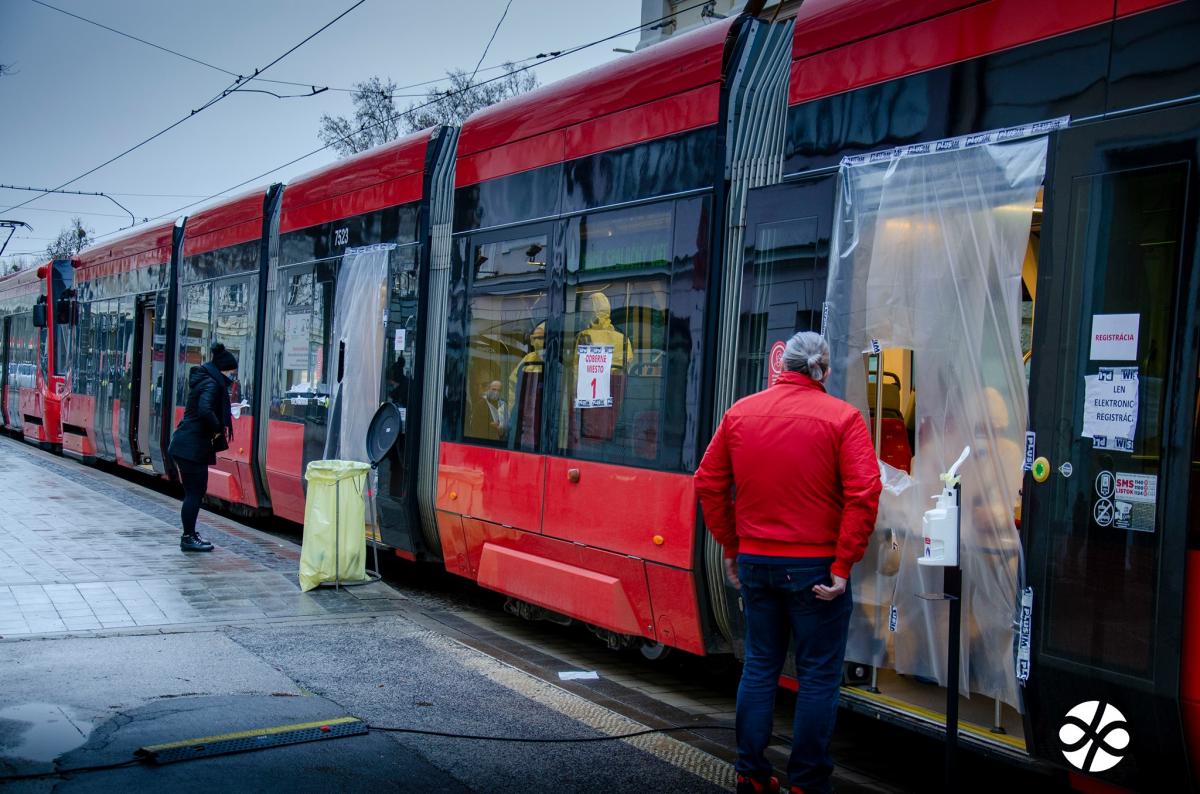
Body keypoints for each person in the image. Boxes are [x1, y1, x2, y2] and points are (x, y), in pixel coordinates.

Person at [694, 331, 881, 794]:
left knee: (759, 665)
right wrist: (843, 565)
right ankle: (807, 781)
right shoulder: (844, 418)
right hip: (817, 569)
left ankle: (751, 775)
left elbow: (708, 483)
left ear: (784, 366)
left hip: (757, 562)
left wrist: (733, 547)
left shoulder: (741, 413)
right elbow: (865, 492)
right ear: (823, 369)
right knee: (818, 674)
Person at [167, 343, 237, 552]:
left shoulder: (206, 380)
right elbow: (205, 410)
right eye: (231, 372)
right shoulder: (212, 384)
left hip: (188, 445)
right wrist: (217, 429)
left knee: (194, 492)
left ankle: (190, 534)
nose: (232, 377)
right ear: (223, 369)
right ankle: (188, 537)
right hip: (192, 446)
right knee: (195, 493)